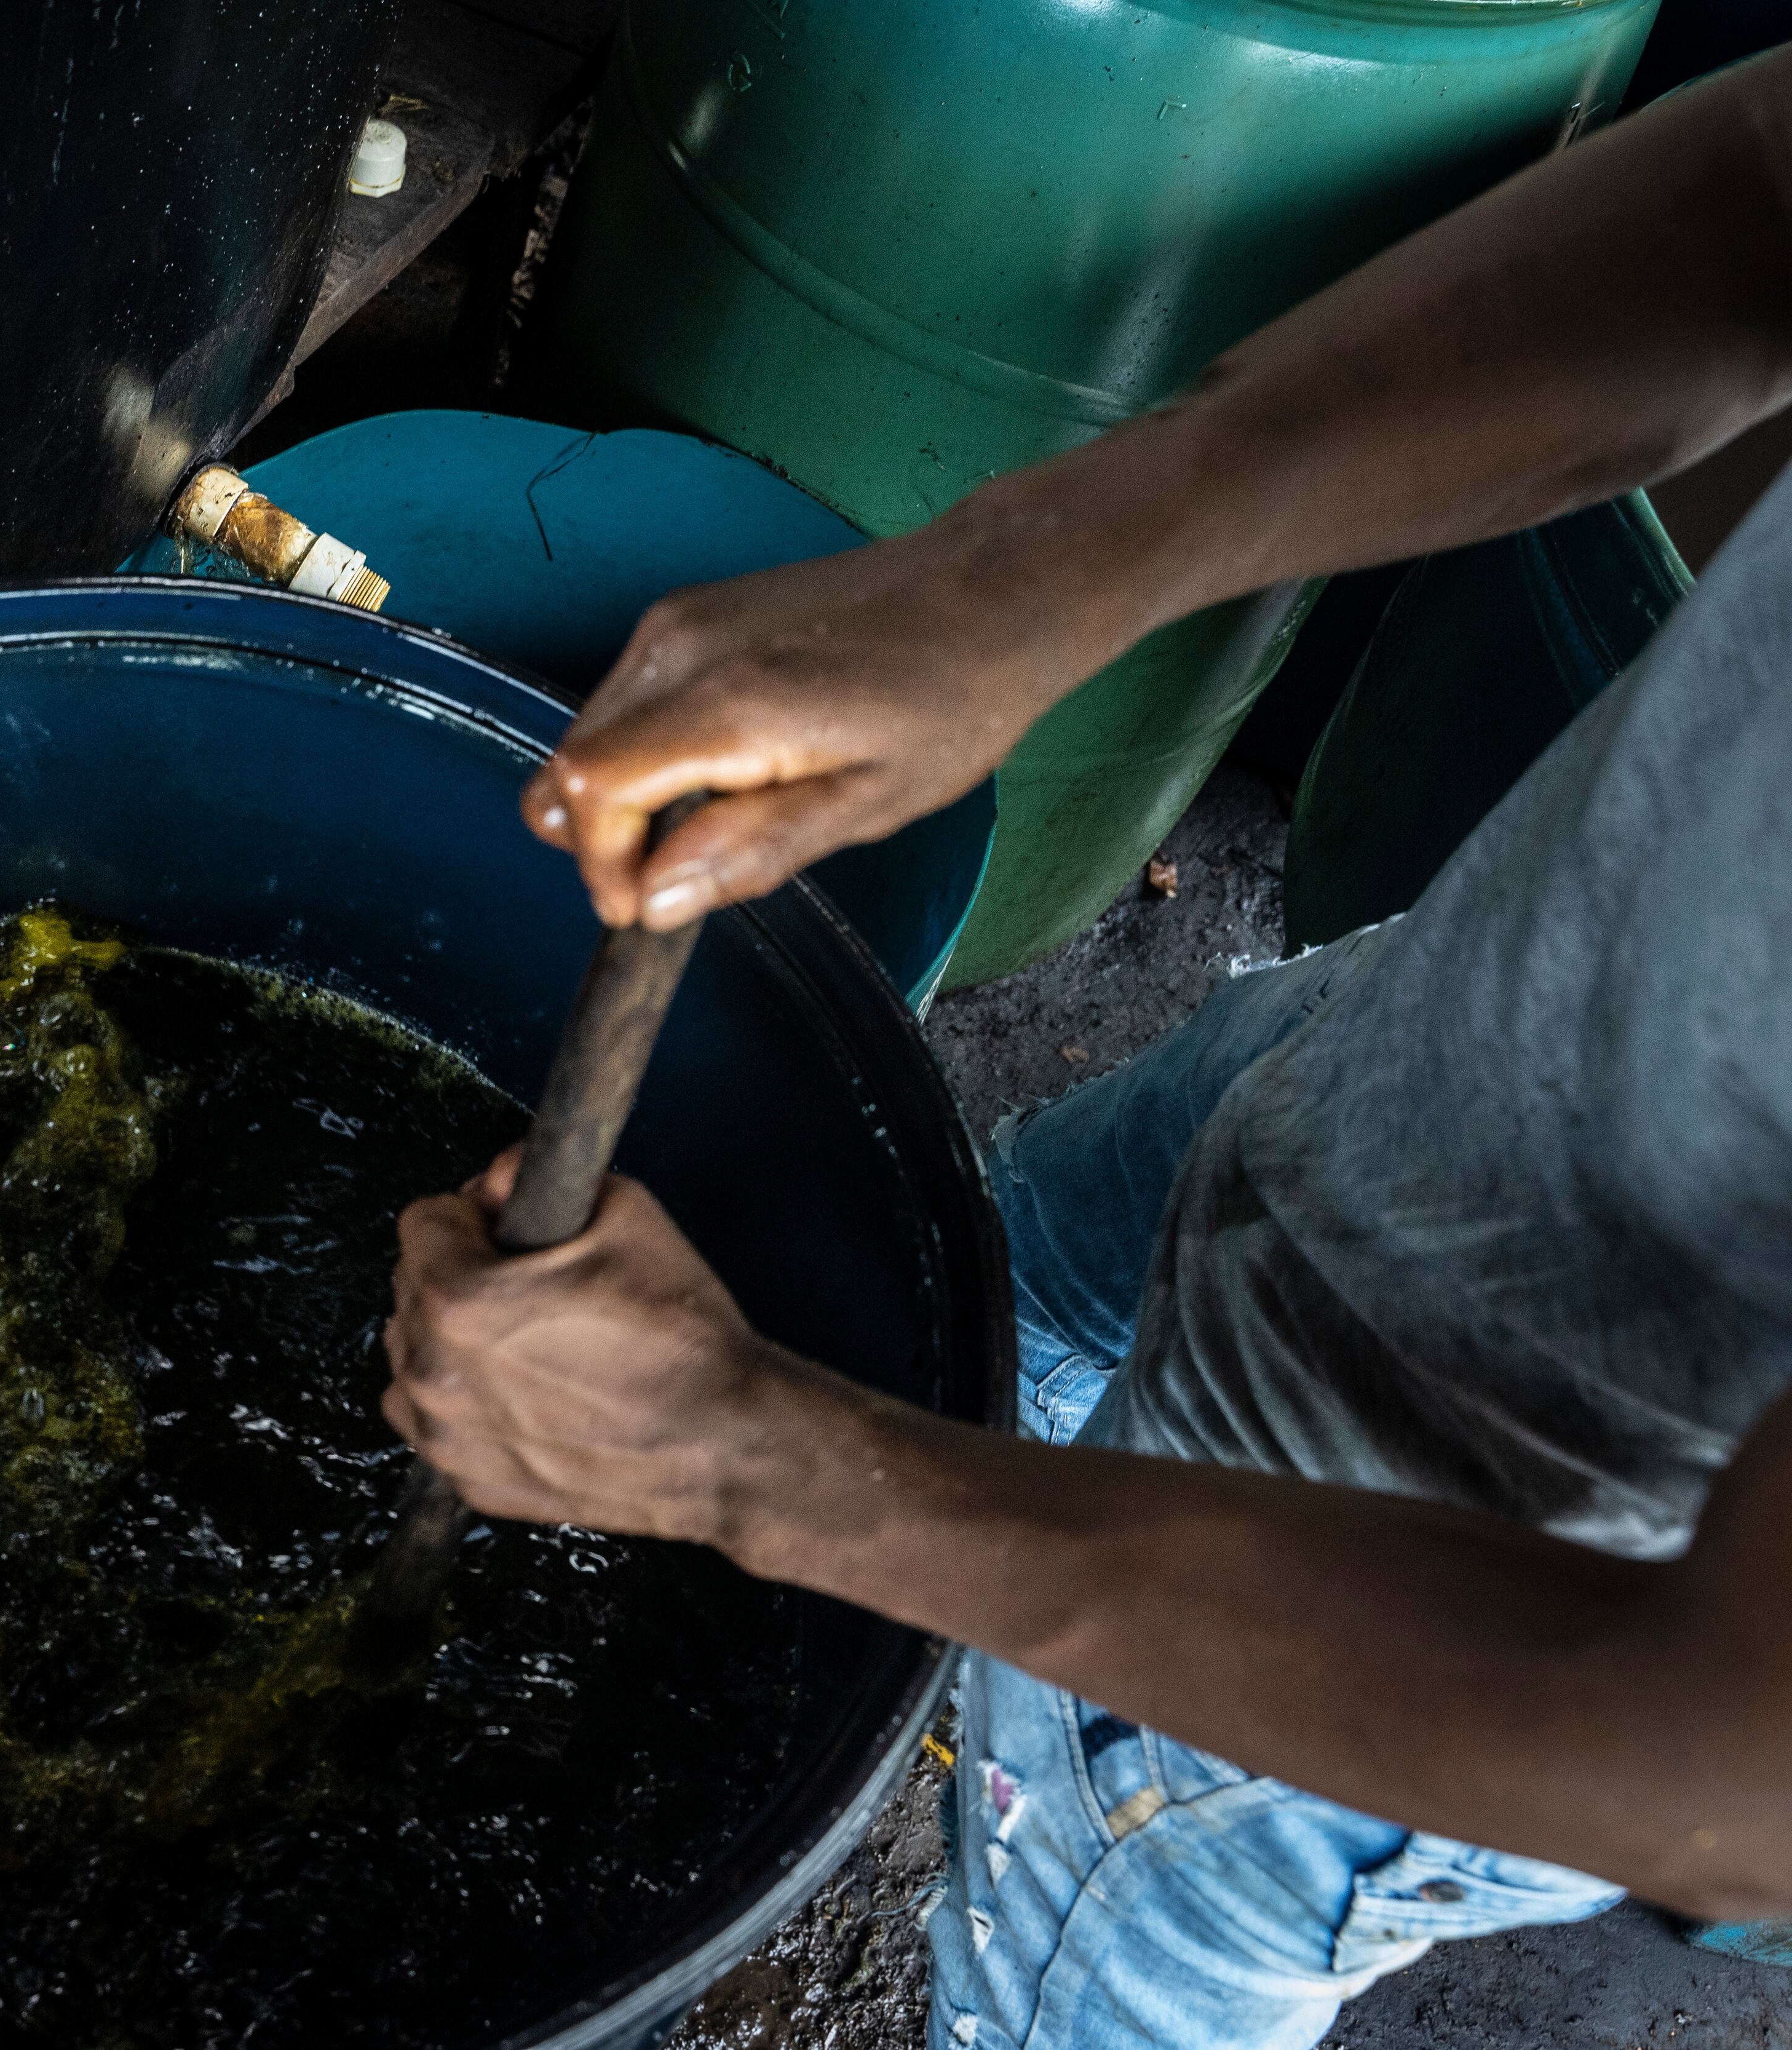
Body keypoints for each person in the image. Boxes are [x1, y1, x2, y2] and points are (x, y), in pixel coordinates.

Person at [379, 44, 1792, 2050]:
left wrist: (742, 1457)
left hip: (1409, 1614)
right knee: (1016, 1269)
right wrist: (1025, 578)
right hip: (1470, 1035)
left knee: (1074, 1993)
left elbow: (1726, 1762)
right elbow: (1757, 191)